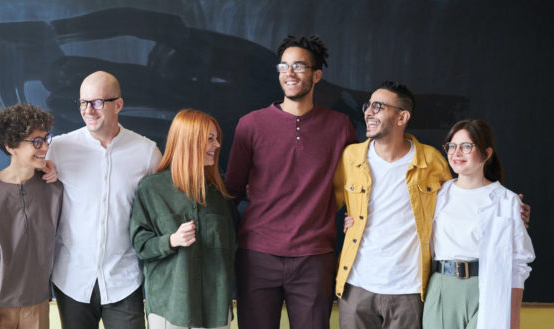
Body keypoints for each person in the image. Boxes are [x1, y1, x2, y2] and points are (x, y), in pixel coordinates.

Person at [334, 82, 531, 329]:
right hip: (357, 285)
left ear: (402, 116)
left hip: (409, 288)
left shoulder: (431, 160)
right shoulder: (351, 157)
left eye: (378, 106)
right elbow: (328, 204)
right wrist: (349, 220)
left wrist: (512, 211)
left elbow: (466, 194)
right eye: (367, 106)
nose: (368, 112)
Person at [225, 35, 356, 329]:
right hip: (257, 254)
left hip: (315, 257)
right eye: (283, 66)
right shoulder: (251, 124)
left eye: (298, 66)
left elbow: (356, 186)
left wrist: (355, 216)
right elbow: (232, 190)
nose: (289, 73)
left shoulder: (340, 126)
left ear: (316, 75)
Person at [46, 71, 161, 329]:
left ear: (118, 105)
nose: (89, 110)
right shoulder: (59, 148)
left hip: (124, 279)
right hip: (71, 278)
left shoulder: (146, 152)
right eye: (83, 103)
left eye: (98, 102)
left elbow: (165, 204)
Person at [130, 109, 238, 329]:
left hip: (214, 309)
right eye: (210, 138)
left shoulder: (219, 194)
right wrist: (171, 240)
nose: (217, 145)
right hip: (169, 308)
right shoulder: (152, 189)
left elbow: (233, 241)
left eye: (217, 138)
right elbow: (141, 245)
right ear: (189, 141)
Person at [422, 119, 535, 329]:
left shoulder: (507, 200)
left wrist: (513, 317)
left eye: (466, 146)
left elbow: (519, 263)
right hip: (441, 287)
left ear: (487, 153)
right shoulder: (437, 194)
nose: (456, 153)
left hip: (487, 286)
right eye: (452, 146)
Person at [0, 104, 63, 329]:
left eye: (46, 139)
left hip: (38, 304)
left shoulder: (53, 188)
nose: (45, 147)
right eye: (36, 141)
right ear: (11, 146)